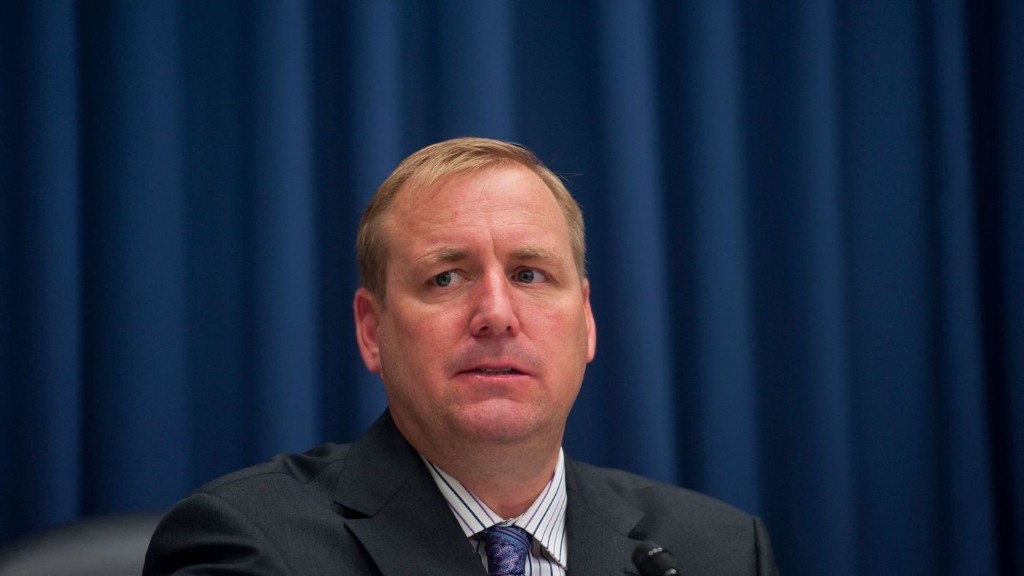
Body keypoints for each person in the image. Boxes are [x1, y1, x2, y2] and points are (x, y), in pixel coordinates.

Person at [143, 137, 779, 575]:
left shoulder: (718, 552)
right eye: (445, 278)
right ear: (372, 330)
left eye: (530, 274)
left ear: (586, 321)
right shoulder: (247, 544)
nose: (496, 313)